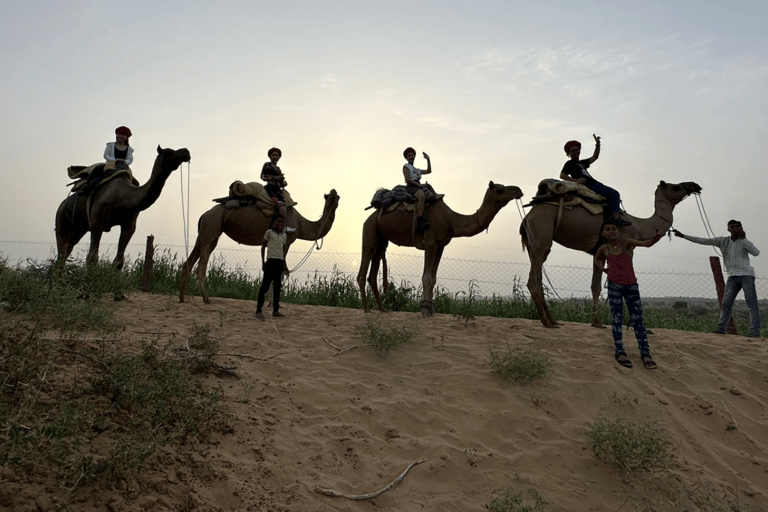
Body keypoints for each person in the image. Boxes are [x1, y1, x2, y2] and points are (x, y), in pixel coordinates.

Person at [594, 220, 664, 369]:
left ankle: (645, 353)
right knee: (616, 319)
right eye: (608, 229)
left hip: (631, 286)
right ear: (603, 233)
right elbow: (597, 259)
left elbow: (645, 243)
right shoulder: (604, 249)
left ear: (617, 232)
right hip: (614, 286)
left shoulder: (627, 243)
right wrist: (605, 270)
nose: (612, 231)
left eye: (614, 229)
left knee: (638, 320)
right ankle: (620, 352)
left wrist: (655, 239)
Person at [672, 221, 761, 337]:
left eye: (737, 227)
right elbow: (704, 241)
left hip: (746, 275)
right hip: (732, 276)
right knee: (726, 303)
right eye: (732, 227)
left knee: (752, 304)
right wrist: (684, 236)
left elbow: (756, 253)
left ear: (741, 228)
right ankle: (721, 329)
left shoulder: (744, 242)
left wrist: (743, 238)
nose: (735, 229)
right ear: (728, 229)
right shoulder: (723, 241)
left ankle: (754, 332)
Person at [560, 134, 631, 227]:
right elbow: (562, 175)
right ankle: (617, 219)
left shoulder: (582, 163)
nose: (575, 152)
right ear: (568, 154)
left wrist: (597, 145)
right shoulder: (569, 163)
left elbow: (595, 157)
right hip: (590, 185)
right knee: (614, 194)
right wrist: (575, 180)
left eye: (576, 150)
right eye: (572, 151)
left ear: (579, 151)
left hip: (594, 183)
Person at [255, 215, 290, 320]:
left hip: (279, 262)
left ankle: (275, 311)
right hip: (270, 261)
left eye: (282, 222)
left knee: (277, 287)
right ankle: (258, 310)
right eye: (278, 221)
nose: (280, 224)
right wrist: (263, 262)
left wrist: (285, 265)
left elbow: (283, 252)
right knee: (264, 287)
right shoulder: (269, 233)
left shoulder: (284, 236)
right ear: (274, 222)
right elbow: (263, 247)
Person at [403, 147, 432, 230]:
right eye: (409, 155)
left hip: (418, 185)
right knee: (421, 196)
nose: (411, 157)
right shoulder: (406, 167)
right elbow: (407, 179)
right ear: (406, 158)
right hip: (411, 186)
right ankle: (420, 221)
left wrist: (428, 160)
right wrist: (419, 186)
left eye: (412, 155)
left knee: (431, 195)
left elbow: (428, 171)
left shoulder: (416, 170)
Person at [261, 147, 288, 217]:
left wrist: (283, 182)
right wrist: (276, 178)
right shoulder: (267, 165)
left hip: (278, 190)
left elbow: (280, 182)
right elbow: (263, 176)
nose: (275, 157)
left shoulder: (278, 169)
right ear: (270, 156)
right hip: (271, 189)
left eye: (277, 155)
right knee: (281, 206)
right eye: (273, 155)